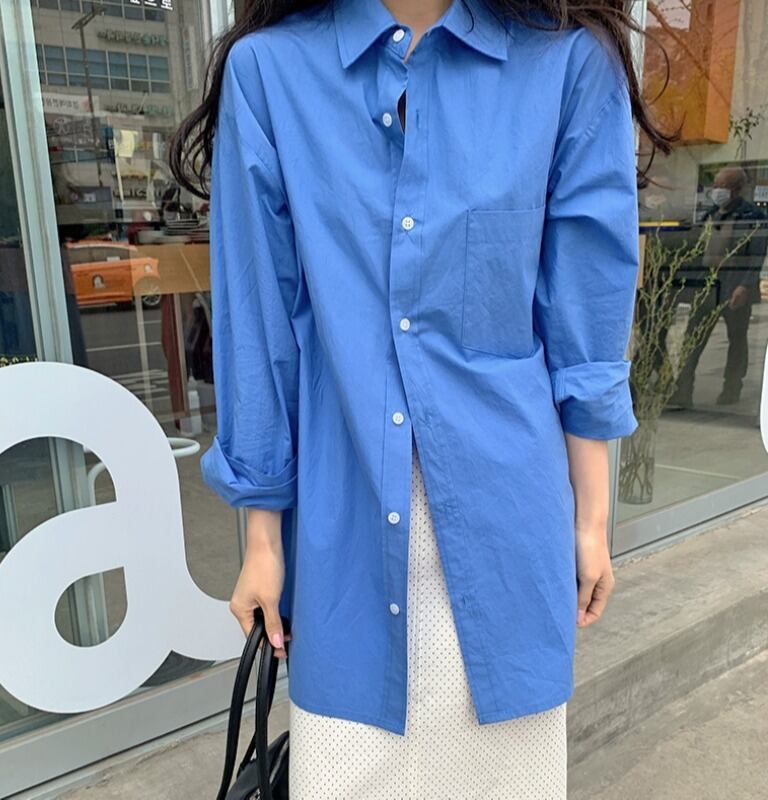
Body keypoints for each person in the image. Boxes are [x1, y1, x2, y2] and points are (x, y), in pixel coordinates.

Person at [169, 0, 673, 797]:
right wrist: (262, 540)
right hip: (342, 548)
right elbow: (257, 328)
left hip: (509, 539)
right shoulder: (269, 73)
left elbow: (584, 321)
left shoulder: (568, 66)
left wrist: (590, 522)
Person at [667, 165, 767, 409]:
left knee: (737, 339)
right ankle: (683, 391)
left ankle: (732, 387)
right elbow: (696, 249)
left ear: (737, 189)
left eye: (723, 187)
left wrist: (745, 285)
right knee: (693, 338)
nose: (716, 191)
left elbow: (755, 255)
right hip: (706, 284)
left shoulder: (752, 216)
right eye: (716, 186)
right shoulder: (709, 215)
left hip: (734, 285)